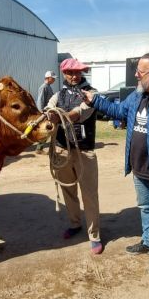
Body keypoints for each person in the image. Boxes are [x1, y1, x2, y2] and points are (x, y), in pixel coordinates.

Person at [83, 52, 149, 275]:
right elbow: (118, 111)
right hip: (138, 167)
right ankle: (147, 241)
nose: (135, 74)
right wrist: (95, 100)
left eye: (140, 71)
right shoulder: (138, 95)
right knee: (145, 207)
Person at [45, 58, 103, 255]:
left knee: (89, 194)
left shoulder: (91, 93)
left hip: (84, 151)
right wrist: (49, 114)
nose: (74, 76)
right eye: (70, 72)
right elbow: (49, 109)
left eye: (77, 72)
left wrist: (59, 117)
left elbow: (79, 113)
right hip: (62, 149)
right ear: (63, 73)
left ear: (82, 72)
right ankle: (75, 223)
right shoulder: (57, 94)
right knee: (68, 191)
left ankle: (94, 234)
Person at [35, 70, 57, 154]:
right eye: (53, 78)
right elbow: (40, 100)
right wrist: (42, 113)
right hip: (45, 113)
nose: (54, 80)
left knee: (50, 130)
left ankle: (41, 148)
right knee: (47, 130)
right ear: (48, 78)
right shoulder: (44, 87)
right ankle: (39, 148)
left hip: (49, 112)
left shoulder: (48, 86)